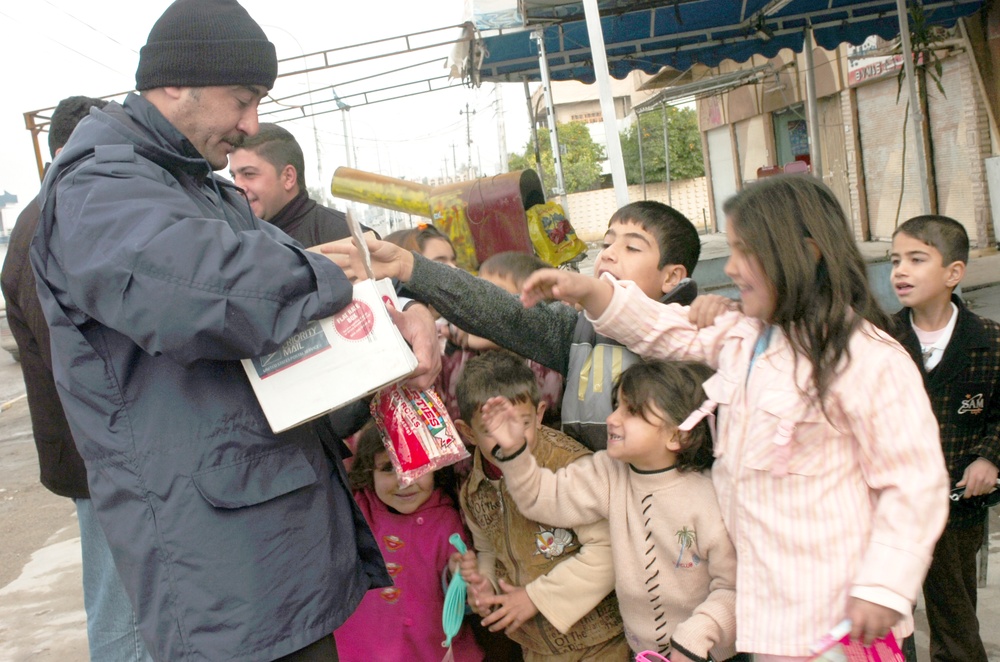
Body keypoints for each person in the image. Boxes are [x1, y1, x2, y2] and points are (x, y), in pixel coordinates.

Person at [28, 1, 439, 660]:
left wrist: (391, 322)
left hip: (267, 540)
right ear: (172, 83)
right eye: (241, 101)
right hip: (220, 568)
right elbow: (204, 292)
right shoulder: (100, 186)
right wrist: (331, 277)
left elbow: (282, 330)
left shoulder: (195, 186)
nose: (250, 125)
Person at [518, 175, 950, 660]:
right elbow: (664, 330)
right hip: (769, 615)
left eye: (746, 251)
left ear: (804, 255)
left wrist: (883, 587)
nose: (732, 266)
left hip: (841, 620)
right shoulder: (748, 337)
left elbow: (915, 485)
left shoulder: (869, 359)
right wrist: (589, 291)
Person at [325, 200, 701, 451]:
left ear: (673, 277)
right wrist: (411, 267)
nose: (609, 253)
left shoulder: (690, 340)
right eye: (606, 242)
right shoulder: (576, 330)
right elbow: (504, 313)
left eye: (632, 248)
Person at [1, 95, 153, 662]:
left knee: (128, 602)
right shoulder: (55, 218)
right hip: (99, 454)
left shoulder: (50, 212)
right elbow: (79, 353)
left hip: (95, 452)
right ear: (75, 146)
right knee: (123, 612)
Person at [479, 359, 737, 661]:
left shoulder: (711, 499)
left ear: (678, 435)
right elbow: (541, 499)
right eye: (617, 405)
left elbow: (733, 591)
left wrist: (696, 637)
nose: (612, 418)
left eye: (632, 411)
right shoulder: (609, 473)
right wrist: (515, 453)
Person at [452, 350, 629, 661]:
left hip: (599, 642)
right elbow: (489, 551)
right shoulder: (474, 490)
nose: (511, 439)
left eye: (521, 423)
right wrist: (486, 585)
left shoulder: (570, 468)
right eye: (493, 430)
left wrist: (536, 598)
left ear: (540, 413)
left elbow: (609, 550)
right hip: (536, 646)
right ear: (468, 433)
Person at [889, 215, 1000, 662]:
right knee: (889, 613)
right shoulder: (879, 336)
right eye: (896, 260)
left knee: (955, 616)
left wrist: (989, 458)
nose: (901, 270)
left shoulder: (989, 341)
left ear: (954, 273)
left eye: (917, 259)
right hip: (888, 504)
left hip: (957, 506)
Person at [229, 122, 372, 441]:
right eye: (233, 176)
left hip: (349, 427)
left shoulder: (339, 234)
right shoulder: (236, 242)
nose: (238, 186)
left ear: (288, 177)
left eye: (249, 174)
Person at [334, 423, 484, 661]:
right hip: (360, 650)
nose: (405, 481)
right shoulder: (356, 510)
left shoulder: (446, 520)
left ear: (436, 468)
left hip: (429, 650)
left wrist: (457, 574)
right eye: (388, 468)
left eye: (417, 467)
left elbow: (461, 601)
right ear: (368, 473)